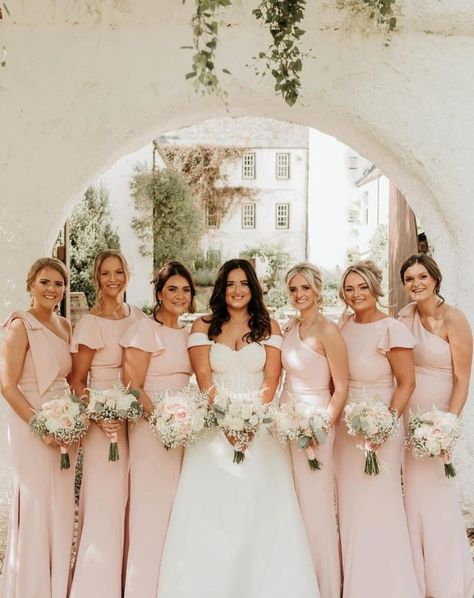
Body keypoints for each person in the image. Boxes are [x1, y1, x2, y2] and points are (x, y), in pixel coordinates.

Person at [157, 258, 319, 598]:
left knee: (260, 513)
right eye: (230, 284)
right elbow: (203, 377)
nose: (237, 290)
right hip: (213, 431)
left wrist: (250, 420)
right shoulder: (202, 326)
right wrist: (226, 419)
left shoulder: (269, 326)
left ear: (253, 288)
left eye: (243, 283)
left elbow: (272, 378)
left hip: (259, 429)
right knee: (213, 515)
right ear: (221, 288)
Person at [334, 260, 419, 598]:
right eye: (349, 288)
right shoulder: (342, 326)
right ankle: (353, 582)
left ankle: (385, 586)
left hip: (383, 424)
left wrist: (383, 426)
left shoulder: (392, 328)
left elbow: (406, 383)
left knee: (378, 503)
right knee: (350, 504)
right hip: (346, 429)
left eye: (362, 287)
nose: (356, 294)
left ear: (375, 288)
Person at [68, 250, 144, 598]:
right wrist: (98, 414)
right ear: (96, 278)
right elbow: (77, 380)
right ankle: (96, 586)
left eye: (118, 272)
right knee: (105, 501)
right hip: (104, 426)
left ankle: (129, 584)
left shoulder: (139, 317)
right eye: (105, 273)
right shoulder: (90, 323)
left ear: (127, 274)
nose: (113, 279)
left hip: (134, 421)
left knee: (132, 500)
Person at [399, 253, 474, 598]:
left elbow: (462, 378)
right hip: (409, 417)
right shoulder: (405, 317)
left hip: (438, 417)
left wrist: (448, 424)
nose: (416, 284)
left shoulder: (454, 319)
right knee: (411, 496)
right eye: (410, 279)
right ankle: (417, 577)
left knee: (438, 495)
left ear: (435, 279)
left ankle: (447, 580)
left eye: (422, 277)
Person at [0, 257, 76, 598]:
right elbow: (6, 385)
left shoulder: (65, 326)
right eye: (45, 282)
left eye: (58, 283)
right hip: (31, 423)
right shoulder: (19, 325)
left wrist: (72, 417)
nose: (52, 289)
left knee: (60, 504)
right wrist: (39, 424)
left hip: (65, 424)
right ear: (31, 284)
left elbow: (71, 380)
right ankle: (30, 588)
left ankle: (56, 585)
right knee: (35, 503)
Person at [120, 262, 195, 597]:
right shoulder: (143, 330)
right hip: (152, 429)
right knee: (150, 510)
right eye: (172, 290)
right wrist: (161, 420)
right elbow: (132, 385)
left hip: (183, 430)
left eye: (185, 290)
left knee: (176, 512)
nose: (179, 296)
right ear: (159, 294)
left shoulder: (188, 333)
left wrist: (183, 419)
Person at [281, 263, 347, 598]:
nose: (299, 295)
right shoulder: (290, 327)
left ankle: (325, 586)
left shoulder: (328, 330)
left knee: (317, 505)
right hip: (287, 422)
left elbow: (341, 387)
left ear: (317, 289)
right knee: (291, 504)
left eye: (304, 288)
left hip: (316, 424)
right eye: (293, 289)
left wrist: (322, 426)